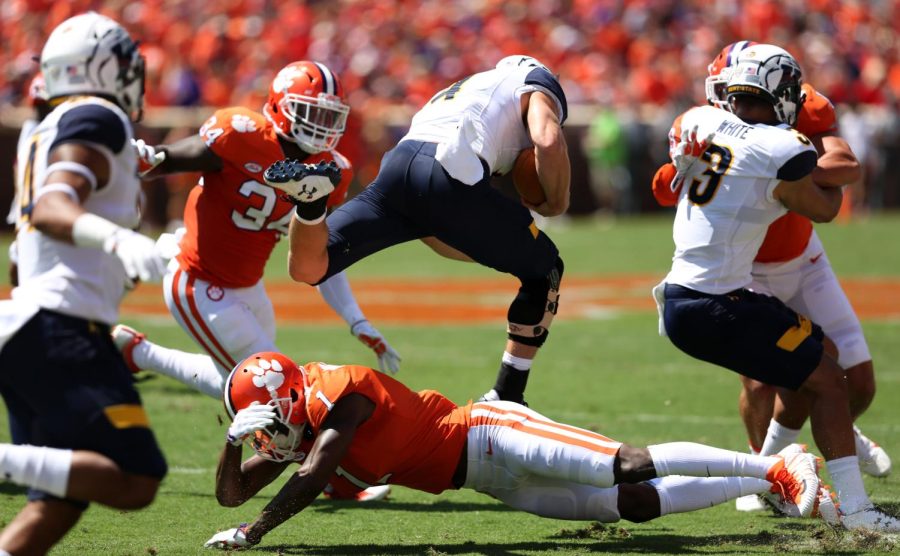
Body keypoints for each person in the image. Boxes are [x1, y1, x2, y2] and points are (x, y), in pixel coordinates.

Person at [201, 351, 822, 549]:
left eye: (261, 423)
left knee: (624, 461)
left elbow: (311, 477)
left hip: (489, 432)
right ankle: (764, 482)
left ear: (286, 398)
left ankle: (777, 465)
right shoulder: (295, 426)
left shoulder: (338, 393)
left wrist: (255, 533)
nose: (262, 435)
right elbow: (232, 490)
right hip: (487, 480)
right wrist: (232, 446)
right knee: (628, 505)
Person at [653, 44, 898, 532]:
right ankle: (853, 510)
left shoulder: (699, 120)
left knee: (817, 357)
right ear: (782, 93)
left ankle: (777, 479)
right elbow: (826, 208)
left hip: (690, 294)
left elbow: (679, 175)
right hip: (716, 302)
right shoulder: (777, 147)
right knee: (828, 379)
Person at [263, 55, 571, 405]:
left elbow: (440, 236)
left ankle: (311, 205)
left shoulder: (471, 86)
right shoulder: (536, 81)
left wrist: (496, 252)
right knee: (545, 269)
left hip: (401, 165)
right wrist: (557, 202)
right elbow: (547, 140)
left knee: (309, 267)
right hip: (451, 171)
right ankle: (508, 395)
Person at [111, 60, 401, 401]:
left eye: (330, 117)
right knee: (272, 387)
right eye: (312, 113)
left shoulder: (331, 170)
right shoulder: (241, 133)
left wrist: (356, 319)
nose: (322, 127)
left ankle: (135, 352)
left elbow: (320, 255)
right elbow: (174, 158)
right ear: (280, 105)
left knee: (247, 384)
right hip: (200, 282)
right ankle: (136, 332)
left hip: (250, 288)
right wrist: (150, 157)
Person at [0, 13, 170, 554]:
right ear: (105, 68)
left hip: (36, 323)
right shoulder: (98, 115)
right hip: (59, 327)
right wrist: (120, 243)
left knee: (59, 500)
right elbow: (53, 207)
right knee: (135, 475)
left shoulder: (40, 129)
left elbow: (18, 258)